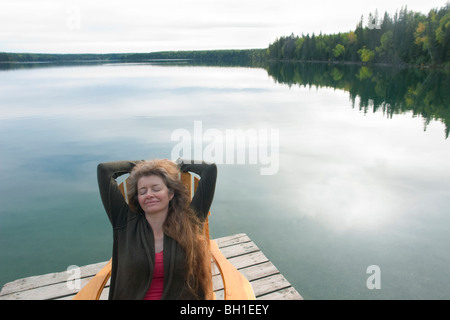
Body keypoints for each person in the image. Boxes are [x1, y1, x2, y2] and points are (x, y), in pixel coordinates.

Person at [97, 158, 217, 300]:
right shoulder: (124, 223)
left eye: (156, 189)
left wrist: (178, 164)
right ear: (138, 198)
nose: (149, 195)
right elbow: (104, 171)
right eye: (142, 191)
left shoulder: (190, 222)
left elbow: (209, 170)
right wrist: (144, 164)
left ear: (170, 193)